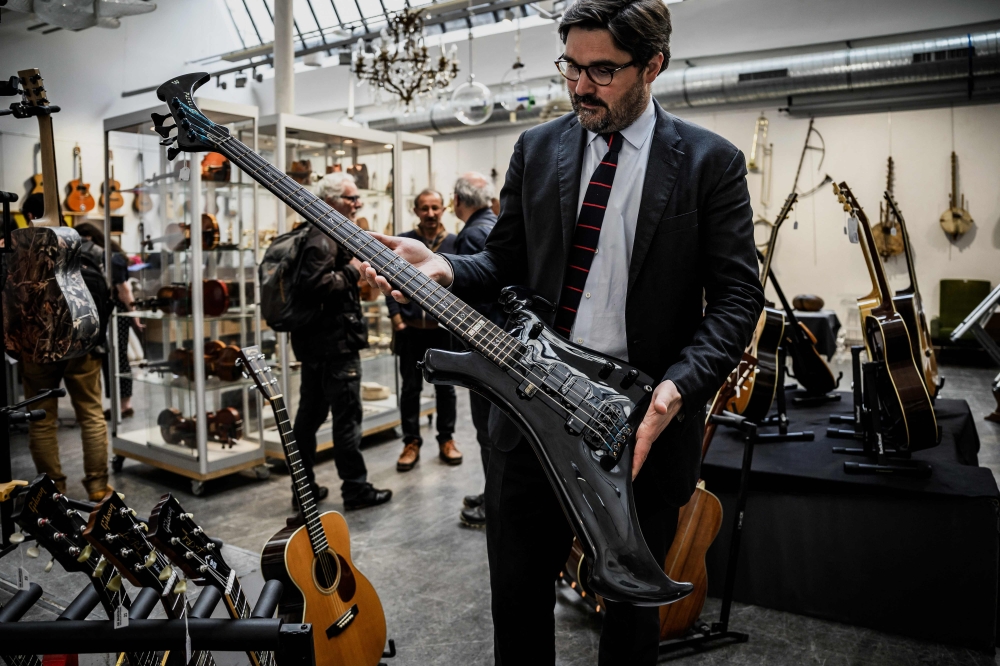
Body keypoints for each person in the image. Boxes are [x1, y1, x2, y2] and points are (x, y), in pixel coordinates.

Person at [361, 0, 764, 661]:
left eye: (602, 71)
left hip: (640, 426)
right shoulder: (539, 146)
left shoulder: (707, 162)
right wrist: (445, 268)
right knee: (518, 605)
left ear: (652, 66)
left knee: (632, 620)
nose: (580, 86)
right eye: (570, 67)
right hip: (530, 415)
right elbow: (504, 262)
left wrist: (676, 390)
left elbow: (736, 297)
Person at [289, 171, 392, 514]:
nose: (358, 203)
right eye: (351, 198)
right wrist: (352, 268)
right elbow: (313, 285)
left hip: (318, 343)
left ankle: (303, 491)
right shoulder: (324, 234)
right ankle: (356, 489)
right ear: (332, 200)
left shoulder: (313, 230)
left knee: (309, 417)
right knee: (345, 418)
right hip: (335, 345)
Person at [17, 196, 113, 501]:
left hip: (35, 344)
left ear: (32, 215)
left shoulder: (21, 252)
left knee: (42, 420)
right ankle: (98, 486)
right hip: (83, 341)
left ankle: (54, 489)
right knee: (91, 414)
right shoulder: (82, 246)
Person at [387, 189, 463, 472]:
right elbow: (387, 278)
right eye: (424, 208)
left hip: (443, 331)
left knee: (446, 387)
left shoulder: (456, 242)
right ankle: (411, 442)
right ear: (416, 210)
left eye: (435, 208)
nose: (430, 214)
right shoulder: (404, 241)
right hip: (410, 330)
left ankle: (447, 439)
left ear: (443, 209)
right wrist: (397, 318)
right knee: (410, 388)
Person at [450, 173, 500, 528]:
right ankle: (492, 492)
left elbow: (471, 301)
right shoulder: (495, 225)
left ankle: (495, 504)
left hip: (485, 349)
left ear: (458, 201)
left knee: (487, 432)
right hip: (502, 343)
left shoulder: (470, 235)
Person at [72, 222, 139, 421]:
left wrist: (133, 314)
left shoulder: (110, 256)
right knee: (108, 358)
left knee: (118, 357)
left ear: (90, 237)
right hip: (102, 310)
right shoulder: (103, 256)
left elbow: (124, 290)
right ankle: (118, 404)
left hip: (113, 311)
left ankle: (125, 405)